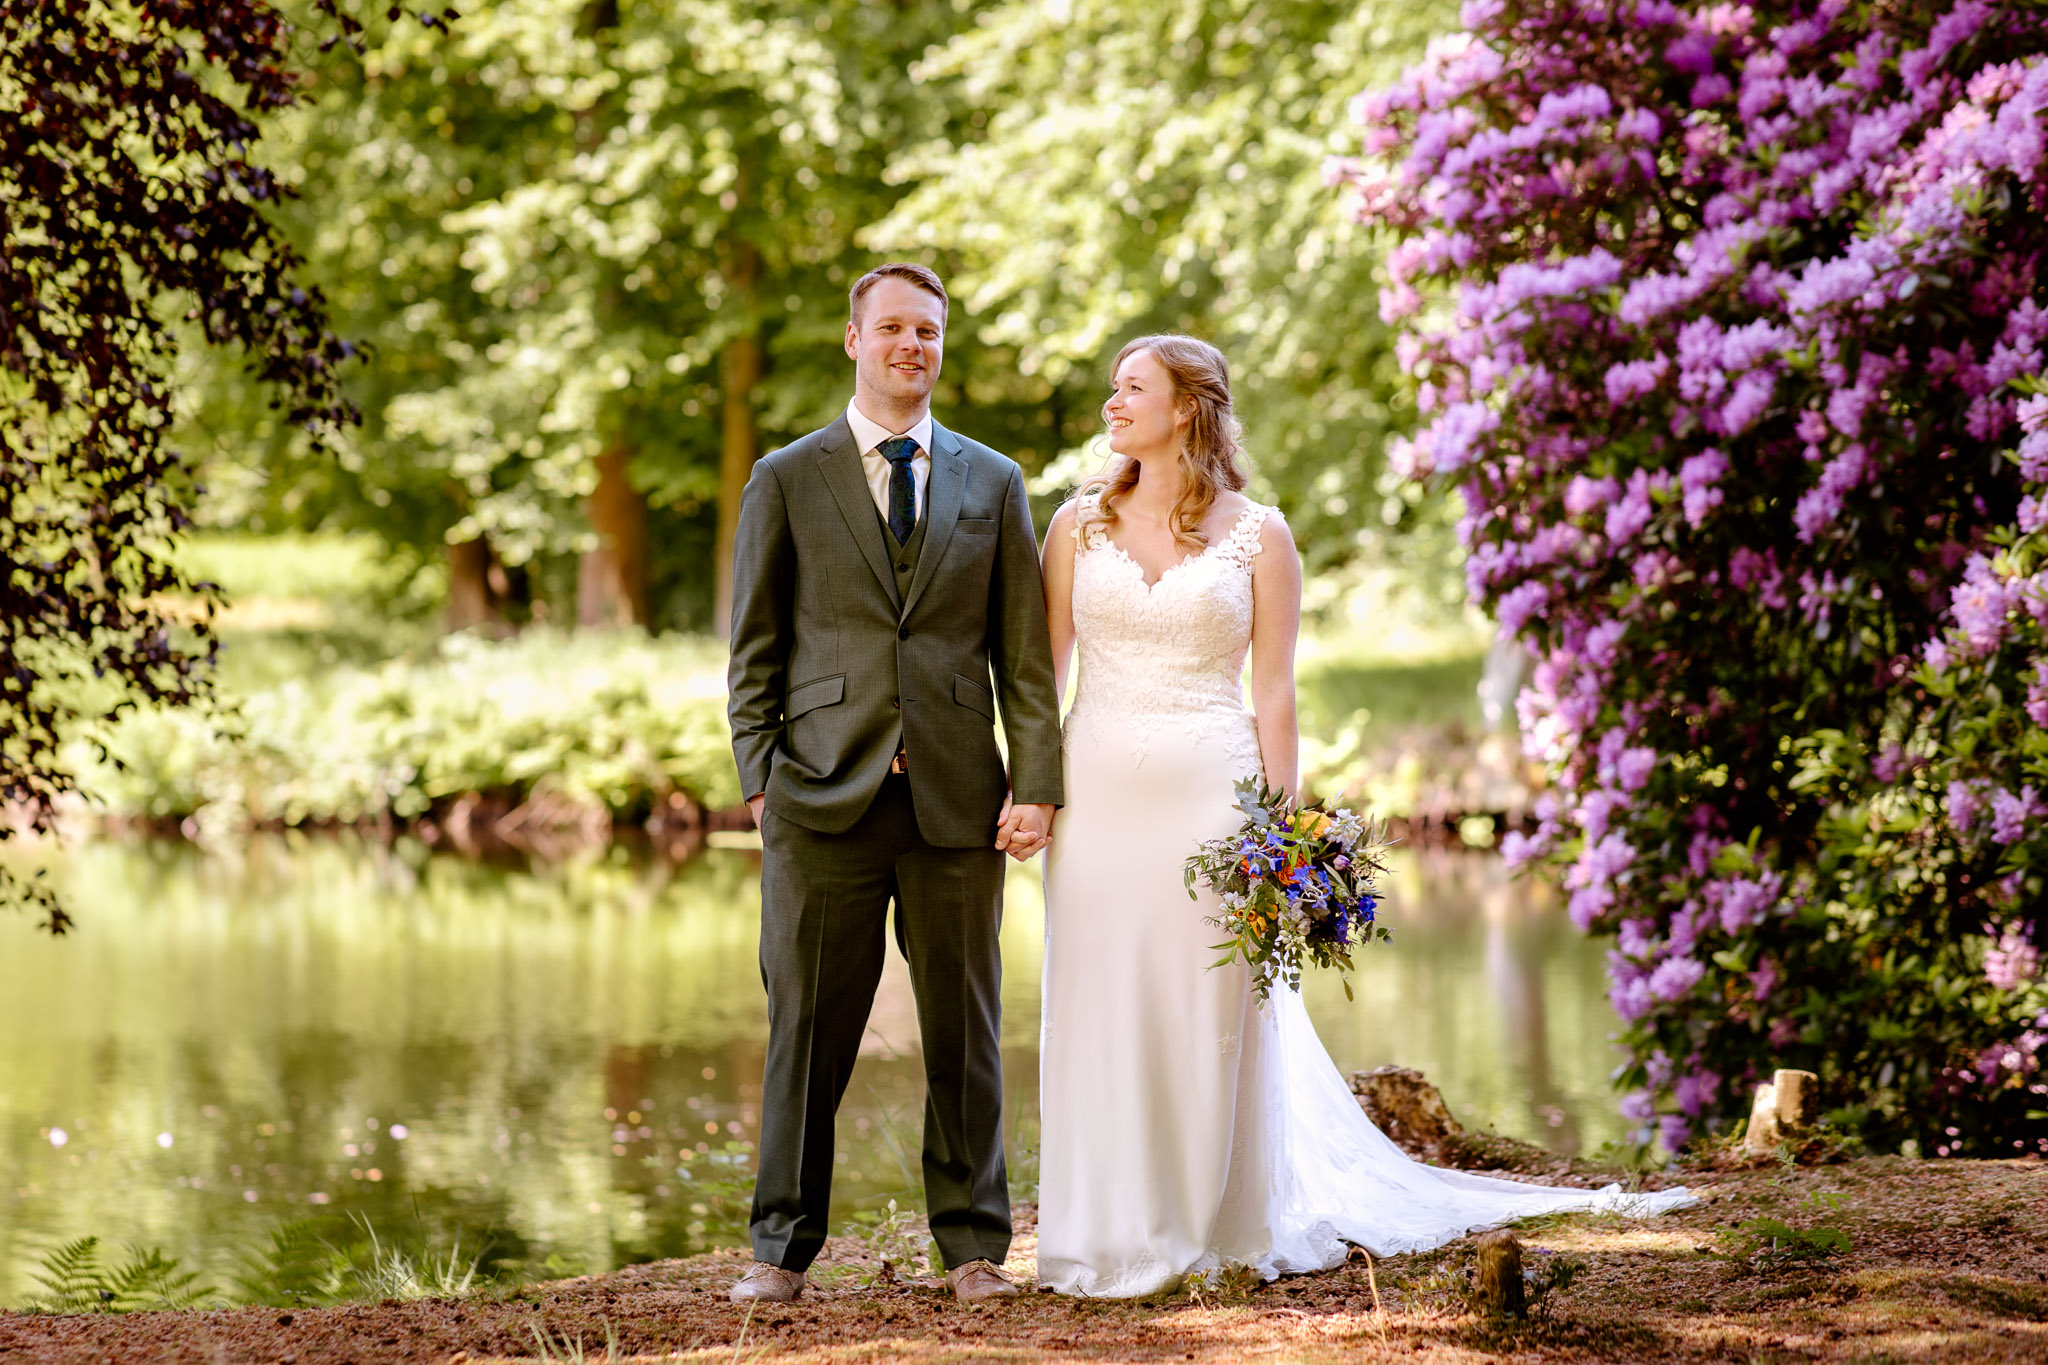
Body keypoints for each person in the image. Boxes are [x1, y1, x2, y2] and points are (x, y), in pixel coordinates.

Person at [1034, 334, 1693, 1298]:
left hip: (1214, 805)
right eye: (1113, 389)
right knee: (1102, 1001)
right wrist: (1032, 790)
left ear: (1186, 409)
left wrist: (1281, 835)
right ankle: (1102, 1228)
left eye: (1132, 389)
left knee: (1203, 1006)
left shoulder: (1261, 535)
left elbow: (1275, 697)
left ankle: (1212, 1224)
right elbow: (1042, 676)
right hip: (1096, 801)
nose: (1110, 405)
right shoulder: (1075, 529)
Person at [724, 263, 1064, 1304]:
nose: (910, 345)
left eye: (928, 330)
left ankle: (972, 1251)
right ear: (853, 340)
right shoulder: (787, 476)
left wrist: (1037, 782)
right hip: (819, 795)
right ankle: (778, 1251)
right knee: (806, 1036)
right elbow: (753, 647)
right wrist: (758, 783)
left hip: (958, 802)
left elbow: (1023, 657)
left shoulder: (991, 480)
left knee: (963, 1034)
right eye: (892, 329)